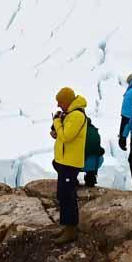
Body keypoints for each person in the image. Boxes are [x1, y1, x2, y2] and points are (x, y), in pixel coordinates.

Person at [50, 87, 90, 243]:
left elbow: (66, 136)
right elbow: (64, 135)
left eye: (60, 102)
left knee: (67, 195)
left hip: (70, 163)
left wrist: (57, 122)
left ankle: (71, 230)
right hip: (64, 161)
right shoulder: (70, 115)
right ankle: (67, 226)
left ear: (66, 101)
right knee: (63, 194)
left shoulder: (77, 116)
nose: (59, 105)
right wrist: (56, 130)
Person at [83, 110, 105, 187]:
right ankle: (91, 178)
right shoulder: (94, 130)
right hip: (96, 162)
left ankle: (72, 180)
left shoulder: (78, 131)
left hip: (80, 164)